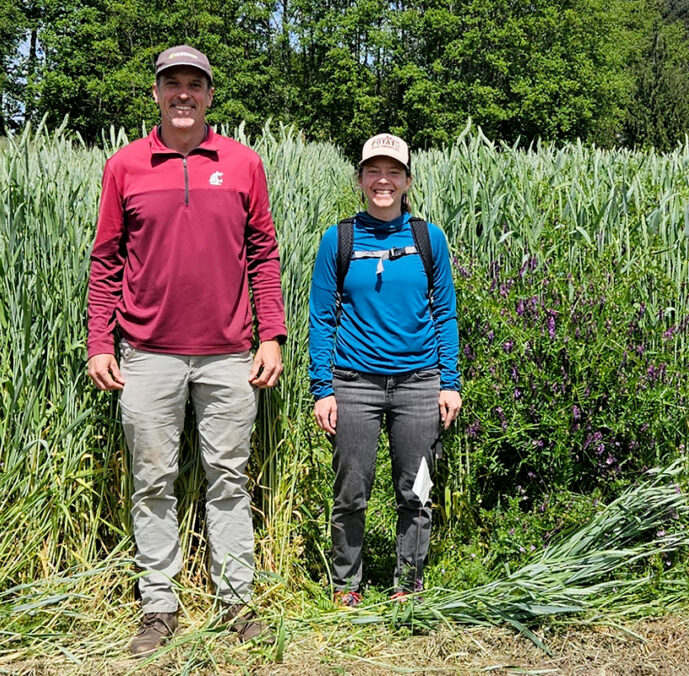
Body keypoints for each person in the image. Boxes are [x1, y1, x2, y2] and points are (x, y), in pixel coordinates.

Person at [86, 44, 286, 655]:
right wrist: (101, 341)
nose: (182, 94)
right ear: (156, 93)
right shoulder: (126, 166)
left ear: (208, 95)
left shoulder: (243, 163)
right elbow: (106, 260)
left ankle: (234, 603)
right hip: (147, 354)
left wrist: (271, 335)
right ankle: (159, 606)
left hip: (229, 354)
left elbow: (263, 255)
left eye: (193, 84)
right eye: (171, 83)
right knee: (153, 480)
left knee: (229, 479)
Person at [307, 133, 462, 607]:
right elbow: (321, 316)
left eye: (393, 172)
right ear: (359, 179)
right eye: (373, 171)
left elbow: (445, 313)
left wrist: (450, 382)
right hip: (354, 386)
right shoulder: (340, 238)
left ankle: (408, 584)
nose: (383, 180)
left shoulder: (427, 238)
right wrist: (322, 388)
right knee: (351, 491)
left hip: (419, 384)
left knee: (416, 491)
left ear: (407, 181)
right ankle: (345, 585)